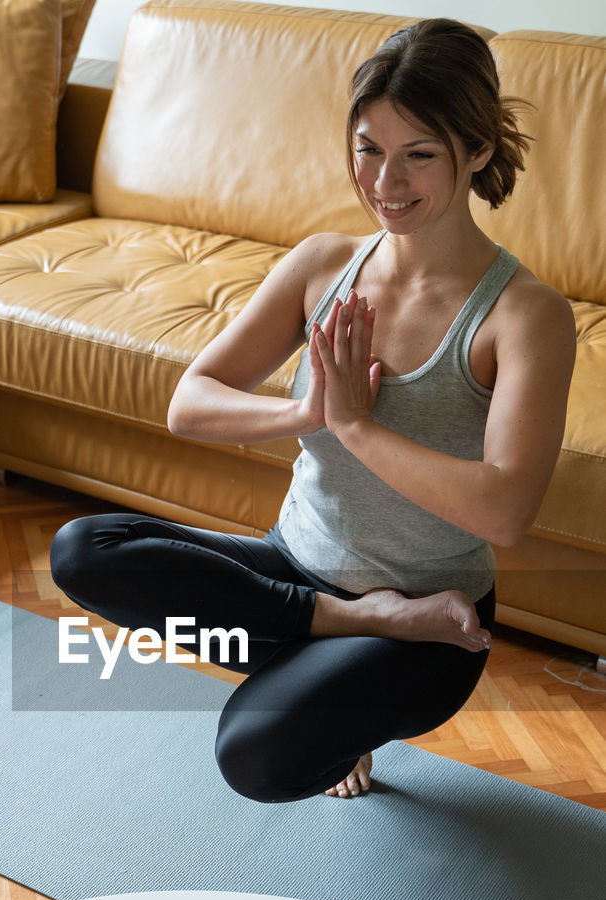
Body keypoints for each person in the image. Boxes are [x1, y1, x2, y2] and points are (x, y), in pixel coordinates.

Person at [50, 18, 576, 802]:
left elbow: (504, 513)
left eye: (419, 155)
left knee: (256, 756)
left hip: (439, 623)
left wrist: (356, 426)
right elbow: (189, 404)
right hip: (293, 574)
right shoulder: (323, 264)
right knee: (83, 549)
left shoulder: (523, 315)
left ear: (478, 153)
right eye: (369, 148)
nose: (384, 183)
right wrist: (305, 417)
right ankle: (345, 627)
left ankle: (353, 658)